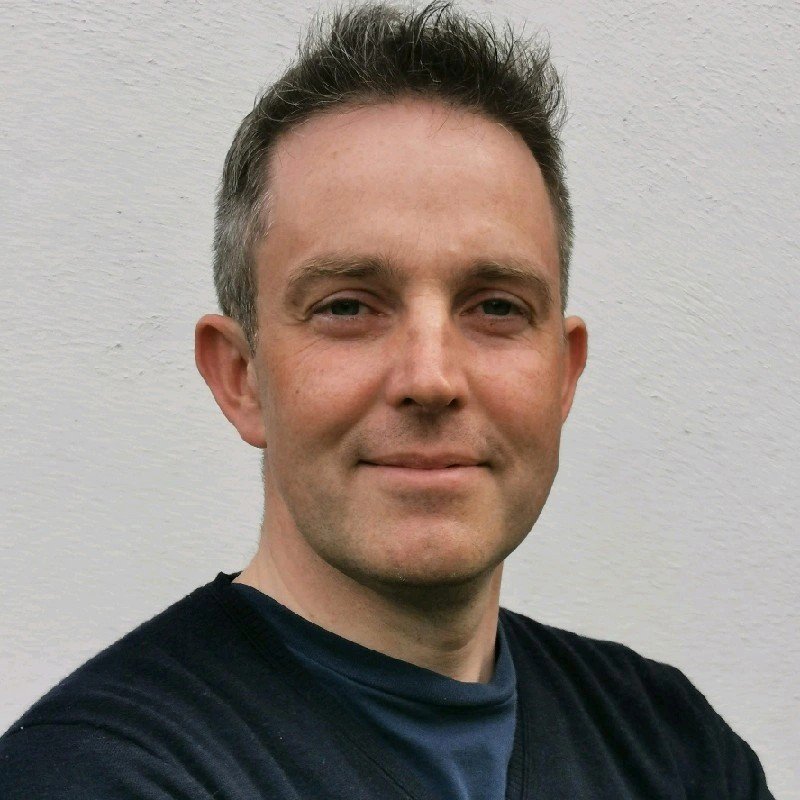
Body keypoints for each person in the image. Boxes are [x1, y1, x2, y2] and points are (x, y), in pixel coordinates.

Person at [0, 3, 774, 798]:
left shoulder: (677, 753)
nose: (431, 378)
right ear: (241, 377)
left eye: (496, 307)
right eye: (348, 307)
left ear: (563, 374)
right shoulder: (100, 777)